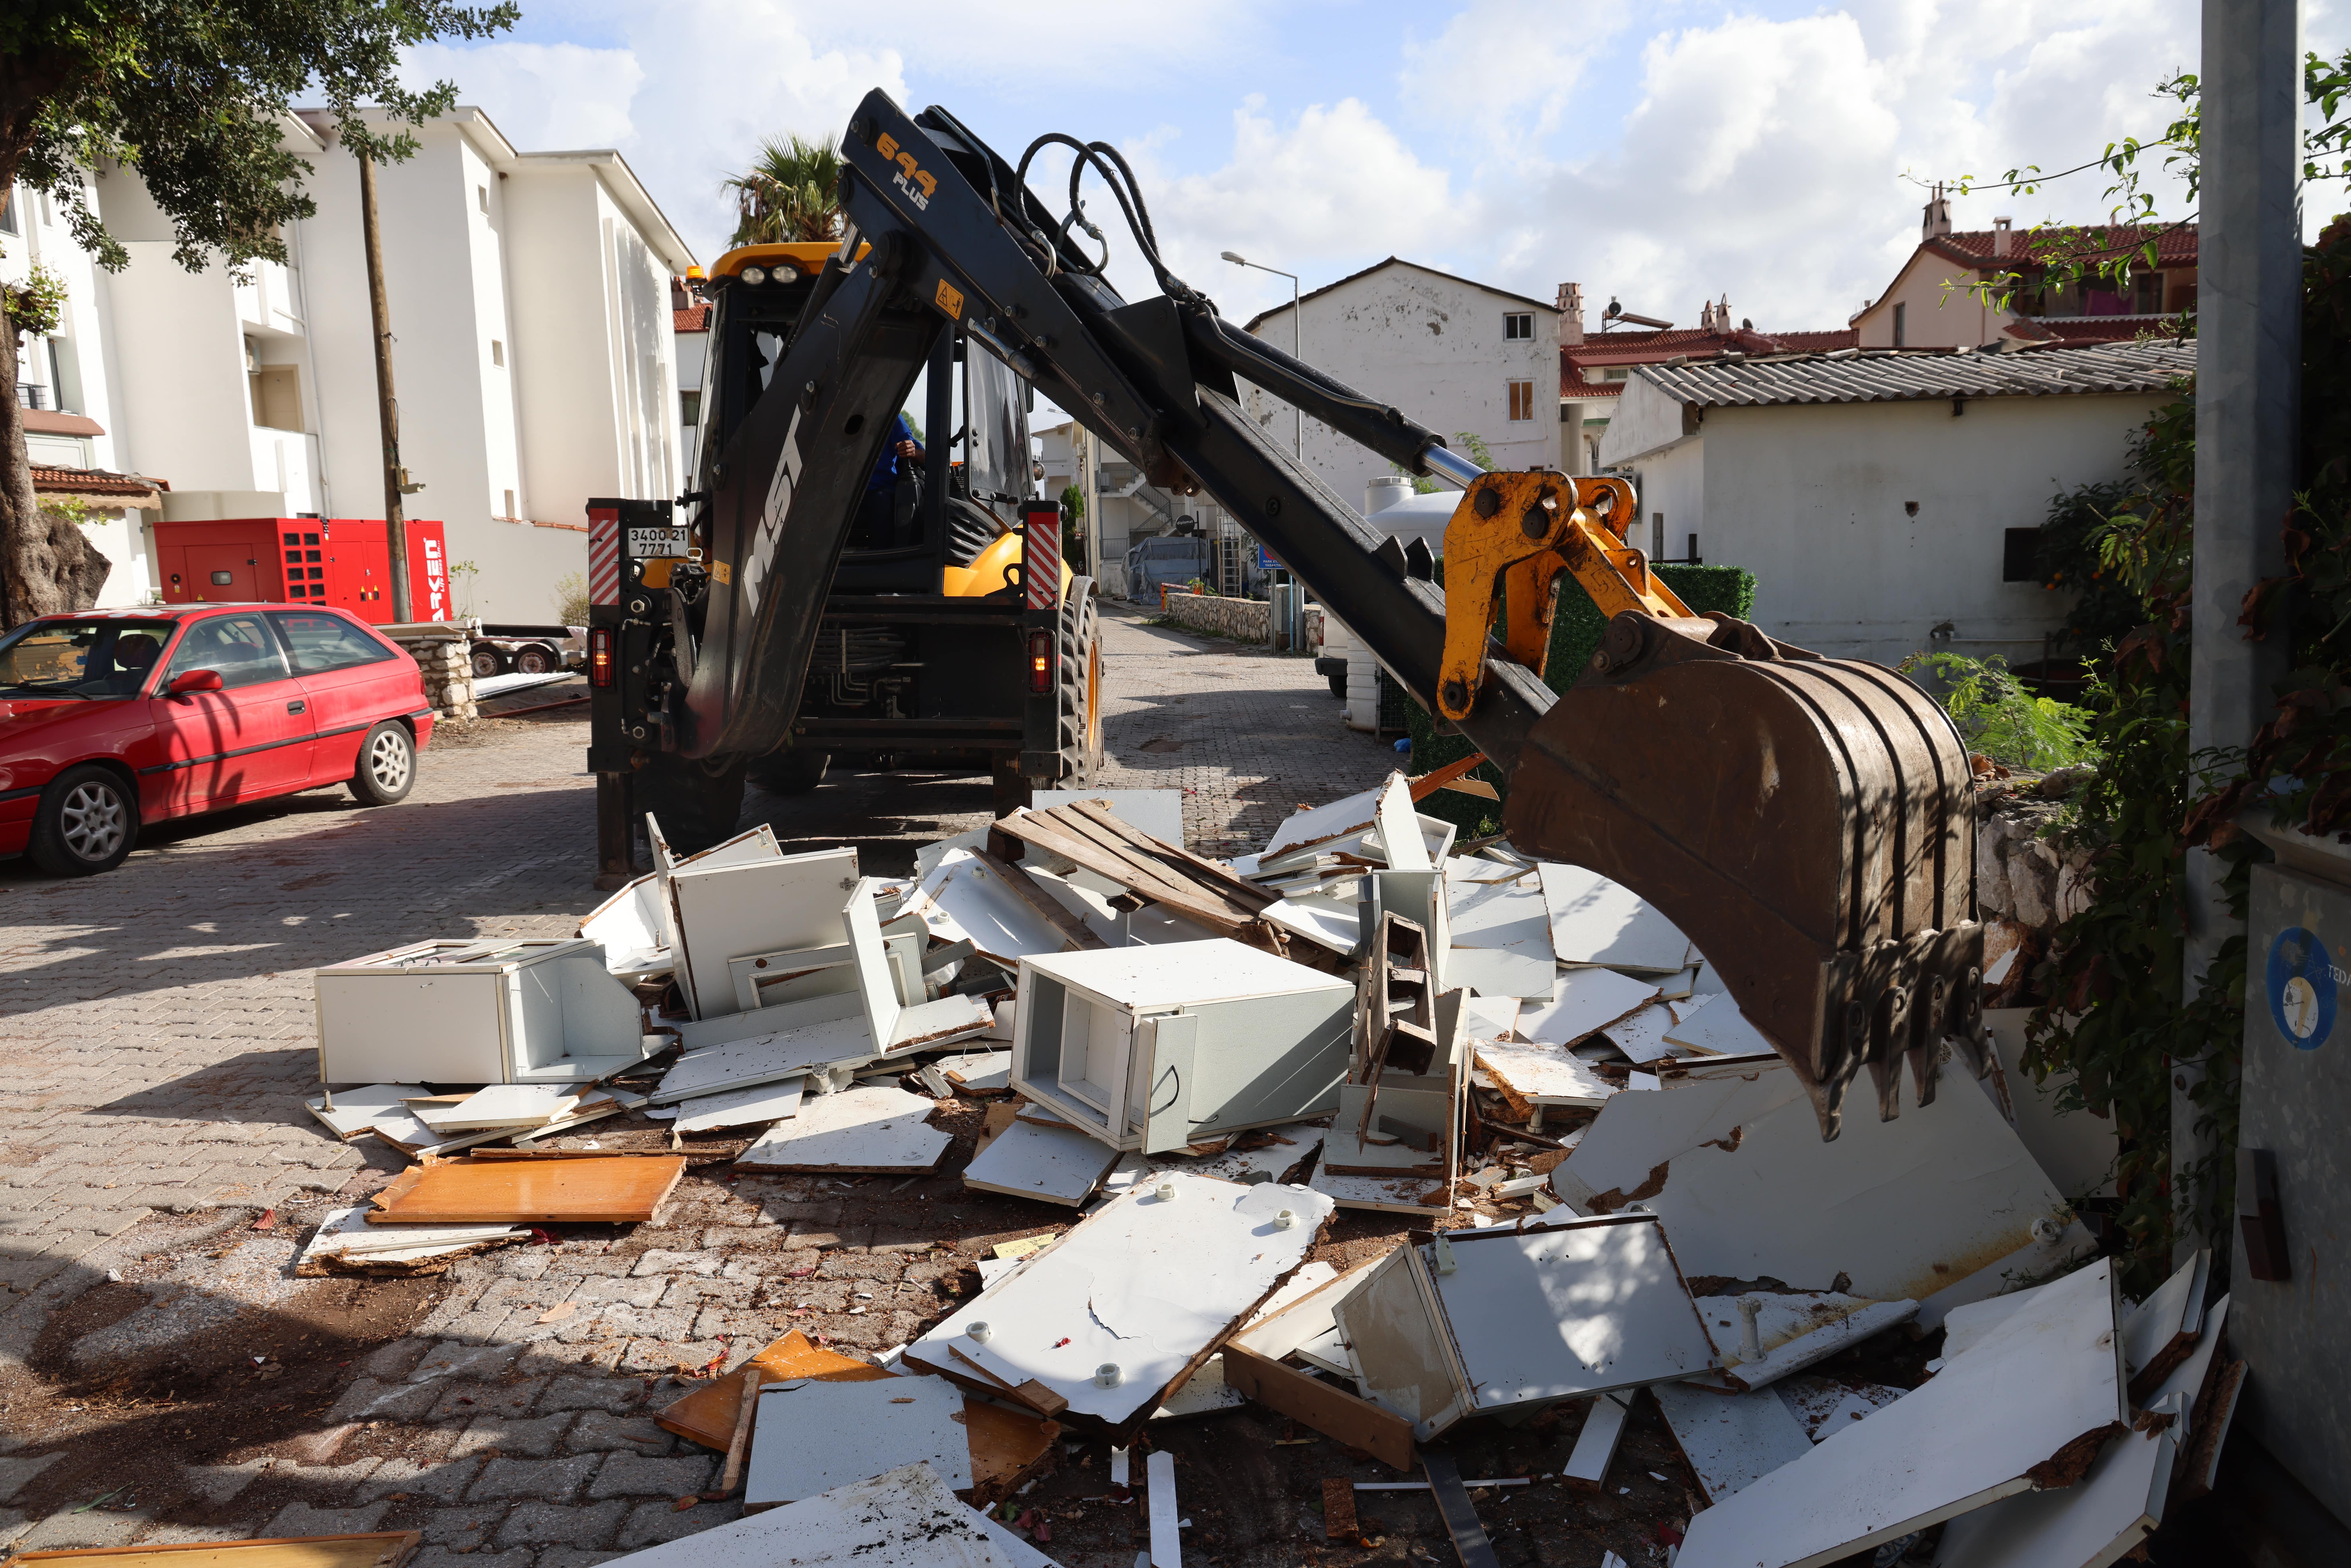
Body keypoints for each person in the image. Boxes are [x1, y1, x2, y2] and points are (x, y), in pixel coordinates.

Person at [856, 414, 924, 550]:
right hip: (840, 493)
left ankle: (879, 562)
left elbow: (923, 456)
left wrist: (912, 451)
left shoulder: (890, 416)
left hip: (876, 492)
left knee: (882, 502)